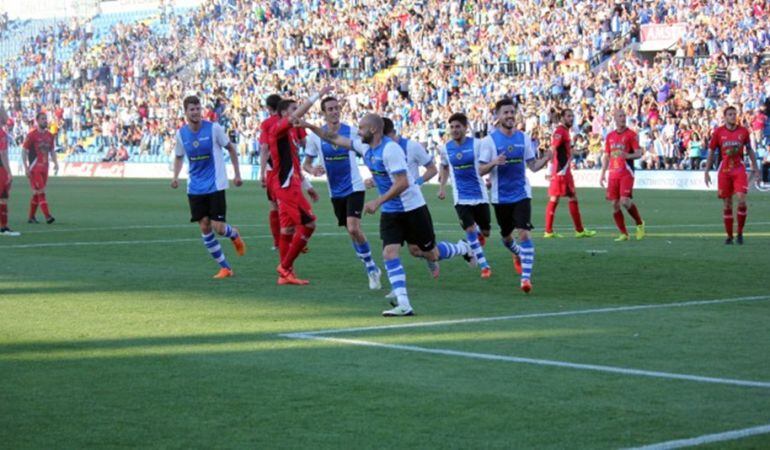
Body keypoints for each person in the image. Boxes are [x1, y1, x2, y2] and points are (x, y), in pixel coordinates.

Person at [299, 113, 473, 317]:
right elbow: (333, 138)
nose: (358, 131)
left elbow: (403, 182)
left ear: (373, 130)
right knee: (389, 253)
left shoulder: (391, 150)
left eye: (362, 128)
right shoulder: (365, 147)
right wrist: (309, 125)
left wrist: (378, 201)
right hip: (391, 211)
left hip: (413, 208)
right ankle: (404, 304)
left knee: (429, 253)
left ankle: (463, 247)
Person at [302, 96, 382, 289]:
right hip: (335, 191)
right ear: (324, 113)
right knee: (351, 232)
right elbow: (306, 163)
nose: (335, 111)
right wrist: (313, 170)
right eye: (330, 109)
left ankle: (371, 268)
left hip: (355, 186)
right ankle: (367, 261)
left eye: (337, 108)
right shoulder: (315, 137)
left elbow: (369, 154)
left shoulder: (353, 132)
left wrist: (375, 177)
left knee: (354, 228)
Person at [478, 98, 551, 294]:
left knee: (524, 233)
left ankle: (525, 279)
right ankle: (517, 254)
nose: (510, 116)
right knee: (506, 238)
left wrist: (546, 158)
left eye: (512, 112)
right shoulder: (489, 141)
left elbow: (533, 166)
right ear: (498, 116)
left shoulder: (524, 138)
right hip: (500, 197)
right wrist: (494, 163)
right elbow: (479, 170)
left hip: (521, 193)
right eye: (506, 113)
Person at [171, 95, 246, 279]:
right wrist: (175, 177)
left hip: (215, 184)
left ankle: (233, 233)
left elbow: (231, 149)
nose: (195, 112)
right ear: (186, 112)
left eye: (198, 108)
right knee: (205, 227)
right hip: (195, 188)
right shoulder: (181, 134)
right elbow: (179, 156)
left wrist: (237, 174)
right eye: (192, 109)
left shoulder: (214, 129)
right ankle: (225, 268)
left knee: (218, 228)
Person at [266, 89, 329, 285]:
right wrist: (316, 95)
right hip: (286, 189)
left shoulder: (290, 134)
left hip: (290, 185)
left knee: (287, 230)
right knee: (309, 224)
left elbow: (293, 164)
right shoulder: (278, 129)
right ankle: (285, 266)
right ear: (285, 113)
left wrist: (307, 186)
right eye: (293, 110)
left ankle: (285, 275)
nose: (297, 113)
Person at [438, 113, 492, 279]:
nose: (454, 130)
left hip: (479, 194)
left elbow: (485, 165)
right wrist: (442, 187)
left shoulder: (477, 144)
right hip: (460, 196)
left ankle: (467, 246)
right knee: (469, 228)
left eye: (458, 127)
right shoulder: (446, 148)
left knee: (486, 231)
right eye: (452, 127)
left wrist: (490, 177)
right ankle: (484, 265)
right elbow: (444, 167)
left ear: (465, 127)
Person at [704, 106, 760, 245]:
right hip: (724, 171)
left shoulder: (743, 131)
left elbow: (750, 150)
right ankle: (729, 236)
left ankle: (740, 233)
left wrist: (755, 167)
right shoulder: (718, 132)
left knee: (741, 199)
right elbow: (711, 152)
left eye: (734, 114)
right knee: (727, 204)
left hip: (739, 169)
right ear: (725, 117)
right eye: (730, 114)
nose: (733, 116)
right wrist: (706, 171)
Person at [543, 108, 596, 239]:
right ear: (562, 118)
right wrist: (549, 169)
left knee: (555, 198)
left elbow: (563, 150)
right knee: (571, 197)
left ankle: (549, 231)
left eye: (572, 116)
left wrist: (574, 153)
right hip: (561, 172)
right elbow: (553, 148)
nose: (571, 118)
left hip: (561, 170)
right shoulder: (560, 131)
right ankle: (579, 230)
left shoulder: (565, 131)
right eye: (568, 116)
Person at [600, 109, 645, 242]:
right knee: (615, 204)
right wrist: (603, 173)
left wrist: (627, 155)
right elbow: (606, 155)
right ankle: (623, 233)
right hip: (613, 173)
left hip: (626, 173)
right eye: (620, 116)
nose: (623, 118)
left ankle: (639, 223)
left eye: (624, 115)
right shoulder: (609, 136)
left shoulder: (631, 135)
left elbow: (638, 153)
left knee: (624, 201)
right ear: (614, 118)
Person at [22, 112, 58, 224]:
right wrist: (26, 167)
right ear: (37, 121)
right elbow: (24, 151)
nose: (45, 121)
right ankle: (48, 216)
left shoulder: (50, 136)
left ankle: (31, 217)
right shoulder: (31, 135)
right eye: (42, 119)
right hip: (34, 168)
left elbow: (52, 150)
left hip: (45, 167)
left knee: (36, 193)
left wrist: (56, 163)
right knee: (41, 191)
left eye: (45, 119)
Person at [258, 94, 283, 251]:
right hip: (290, 168)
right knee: (288, 204)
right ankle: (298, 239)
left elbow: (264, 148)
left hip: (273, 169)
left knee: (274, 206)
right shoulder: (289, 121)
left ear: (268, 108)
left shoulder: (267, 123)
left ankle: (277, 242)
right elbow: (302, 142)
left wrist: (261, 172)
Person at [383, 117, 438, 187]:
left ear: (394, 132)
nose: (383, 140)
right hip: (390, 196)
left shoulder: (412, 146)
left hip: (410, 196)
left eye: (385, 137)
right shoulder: (381, 149)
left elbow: (432, 170)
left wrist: (417, 183)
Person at [0, 117, 20, 236]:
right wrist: (9, 172)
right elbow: (3, 153)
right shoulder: (2, 134)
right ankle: (3, 227)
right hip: (1, 169)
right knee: (3, 198)